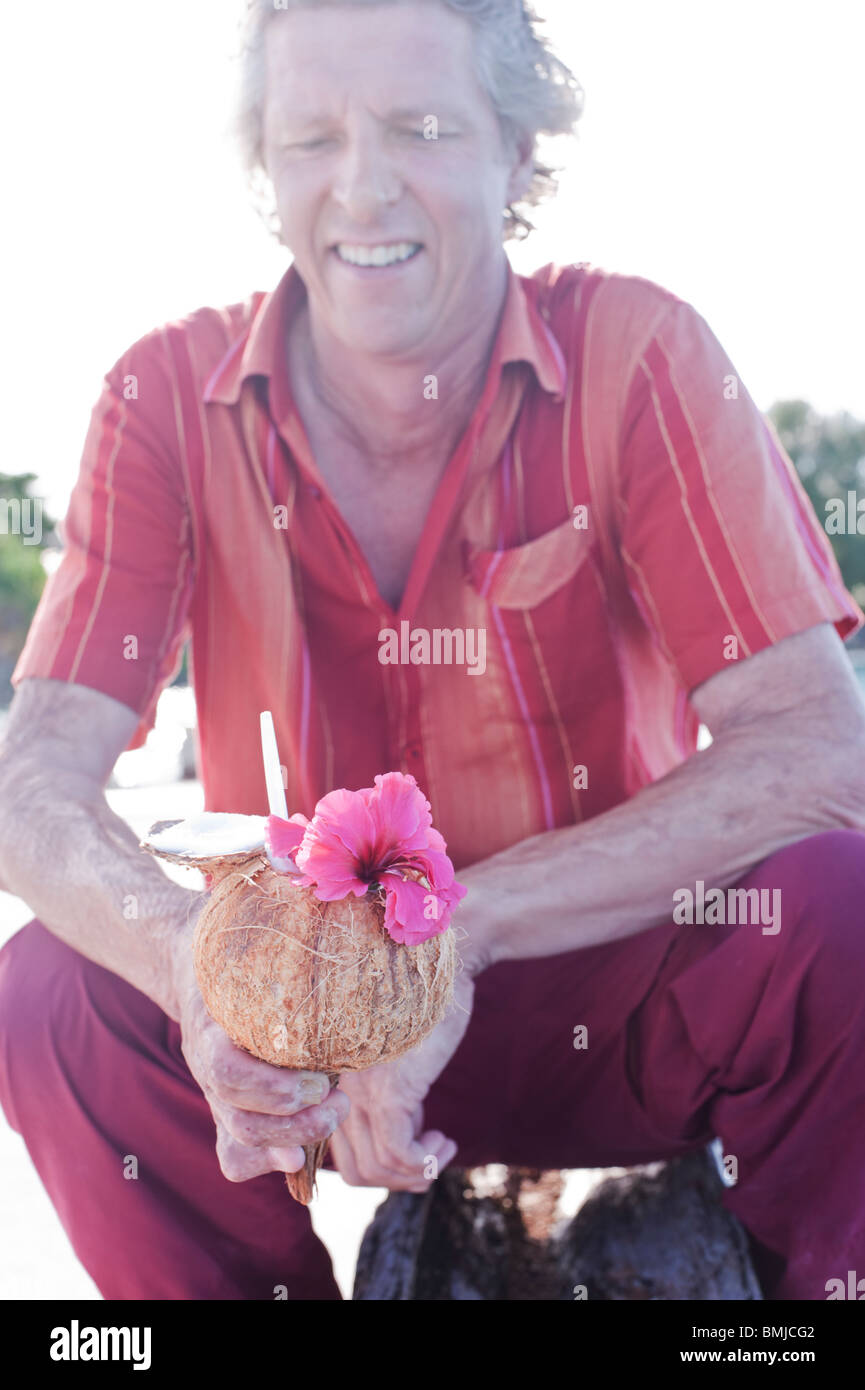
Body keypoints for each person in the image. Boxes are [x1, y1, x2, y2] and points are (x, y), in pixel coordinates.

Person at [2, 0, 865, 1301]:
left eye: (419, 127)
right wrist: (192, 959)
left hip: (611, 995)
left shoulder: (638, 350)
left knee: (838, 912)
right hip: (301, 1031)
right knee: (55, 992)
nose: (360, 185)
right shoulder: (163, 395)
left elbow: (818, 747)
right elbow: (30, 790)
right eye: (310, 137)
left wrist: (465, 929)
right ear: (268, 168)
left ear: (516, 156)